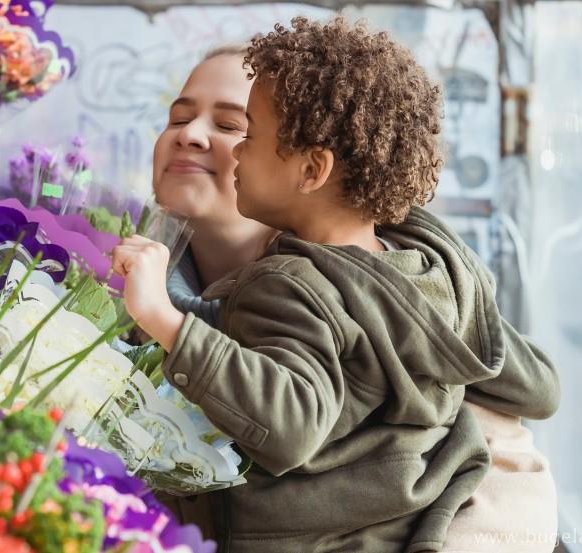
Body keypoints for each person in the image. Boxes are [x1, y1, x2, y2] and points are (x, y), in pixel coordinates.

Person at [132, 21, 559, 553]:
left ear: (312, 168)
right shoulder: (434, 271)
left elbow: (290, 421)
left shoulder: (284, 288)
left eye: (240, 129)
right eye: (177, 115)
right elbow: (538, 384)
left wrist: (164, 319)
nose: (194, 135)